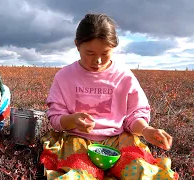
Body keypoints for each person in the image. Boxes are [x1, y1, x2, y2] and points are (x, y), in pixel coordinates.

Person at [39, 14, 178, 180]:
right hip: (76, 141)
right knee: (76, 176)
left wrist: (146, 130)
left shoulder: (124, 77)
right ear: (77, 45)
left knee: (142, 173)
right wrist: (72, 120)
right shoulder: (64, 77)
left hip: (118, 142)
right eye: (89, 53)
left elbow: (134, 115)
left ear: (114, 47)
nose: (97, 61)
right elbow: (56, 118)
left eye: (105, 53)